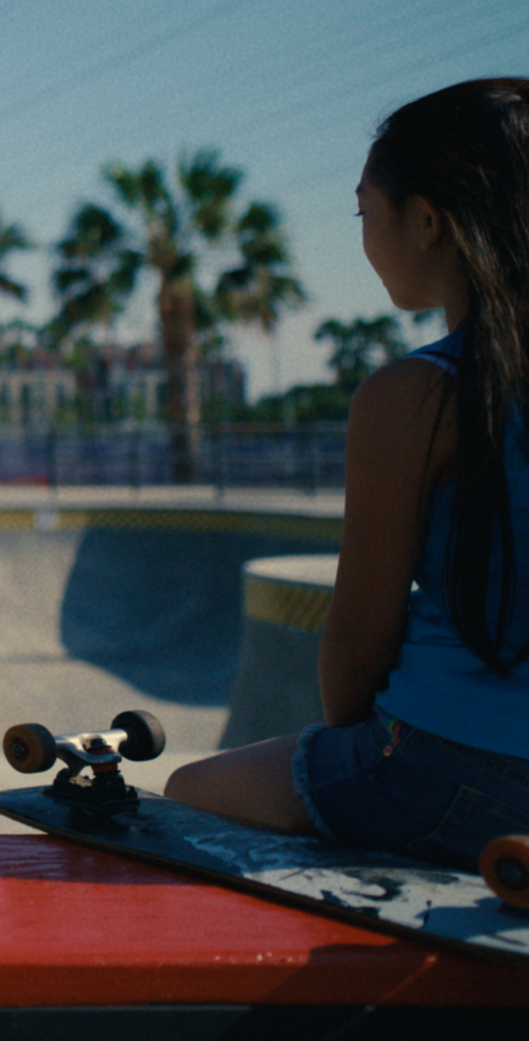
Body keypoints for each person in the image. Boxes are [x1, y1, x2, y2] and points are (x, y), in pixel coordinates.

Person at [165, 78, 529, 868]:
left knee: (190, 791)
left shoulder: (417, 395)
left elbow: (359, 644)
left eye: (365, 212)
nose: (363, 235)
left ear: (427, 221)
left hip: (453, 768)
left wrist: (357, 756)